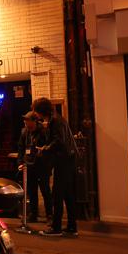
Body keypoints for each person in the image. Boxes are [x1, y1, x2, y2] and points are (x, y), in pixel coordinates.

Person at [33, 98, 78, 237]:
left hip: (63, 161)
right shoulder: (58, 119)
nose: (36, 114)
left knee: (57, 194)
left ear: (41, 110)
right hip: (70, 159)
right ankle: (71, 227)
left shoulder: (55, 121)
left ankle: (56, 227)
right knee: (68, 194)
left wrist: (45, 149)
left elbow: (59, 141)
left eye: (36, 111)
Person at [17, 111, 52, 223]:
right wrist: (20, 163)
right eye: (25, 121)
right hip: (29, 166)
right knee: (32, 192)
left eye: (28, 121)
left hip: (42, 166)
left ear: (35, 121)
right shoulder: (24, 132)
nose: (26, 123)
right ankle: (33, 214)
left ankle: (50, 215)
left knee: (45, 191)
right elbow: (21, 148)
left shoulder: (44, 132)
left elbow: (48, 147)